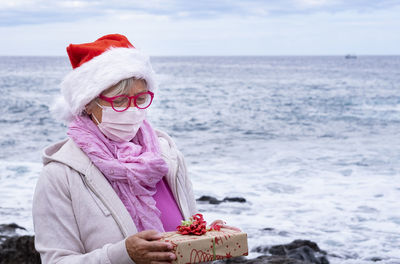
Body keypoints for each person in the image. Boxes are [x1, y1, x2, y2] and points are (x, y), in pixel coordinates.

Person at [32, 34, 197, 264]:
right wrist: (123, 255)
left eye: (140, 99)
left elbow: (187, 237)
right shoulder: (60, 176)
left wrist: (209, 237)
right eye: (119, 101)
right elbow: (56, 261)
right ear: (88, 104)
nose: (132, 110)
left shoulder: (167, 158)